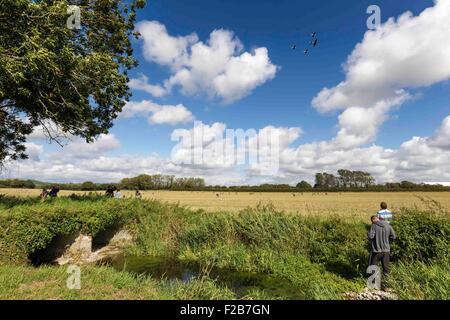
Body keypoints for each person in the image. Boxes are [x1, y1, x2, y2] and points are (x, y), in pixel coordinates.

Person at [368, 215, 396, 286]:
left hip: (376, 251)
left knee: (373, 267)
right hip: (386, 250)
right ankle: (387, 285)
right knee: (386, 268)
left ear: (373, 220)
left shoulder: (373, 226)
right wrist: (386, 240)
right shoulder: (388, 225)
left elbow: (370, 236)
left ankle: (373, 285)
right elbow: (393, 236)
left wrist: (368, 234)